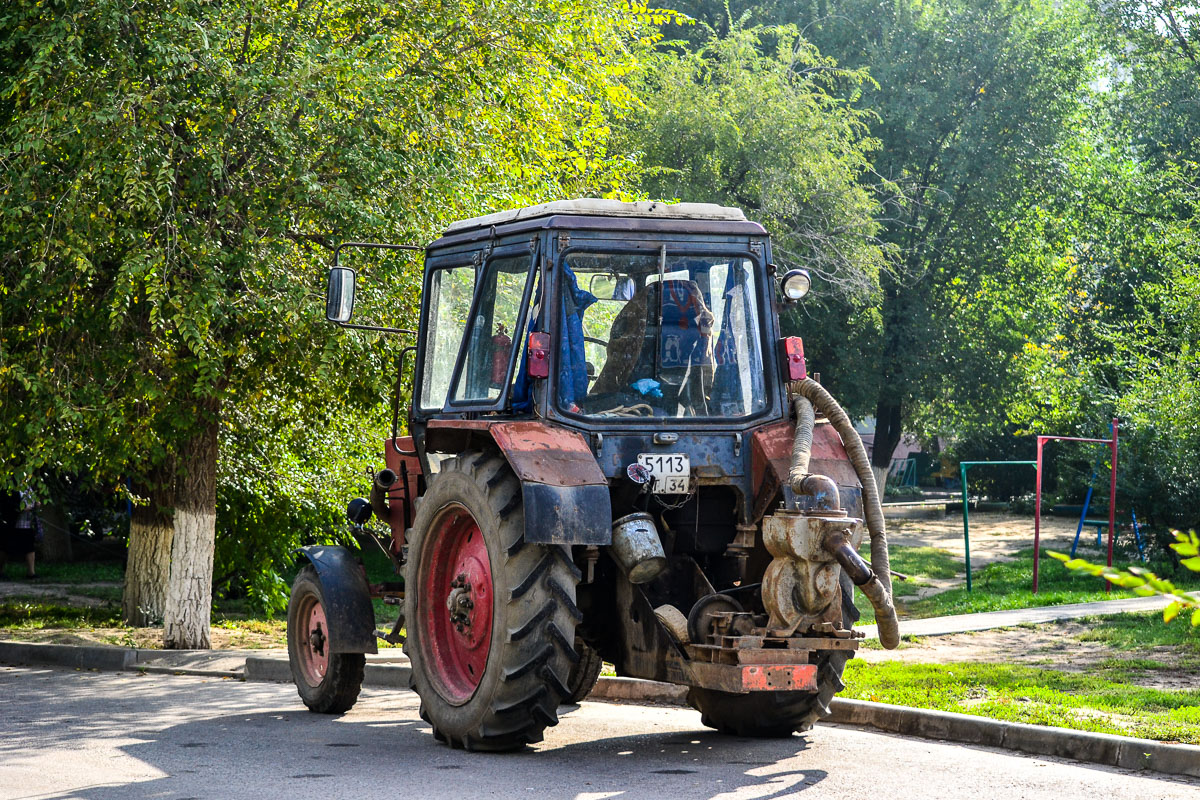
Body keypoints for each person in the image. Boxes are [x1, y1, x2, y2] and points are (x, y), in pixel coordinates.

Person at [0, 488, 38, 579]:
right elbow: (6, 504)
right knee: (5, 548)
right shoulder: (9, 487)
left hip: (27, 523)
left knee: (30, 547)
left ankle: (31, 573)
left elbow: (33, 500)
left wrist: (36, 504)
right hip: (12, 523)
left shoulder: (29, 487)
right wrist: (21, 509)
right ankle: (0, 571)